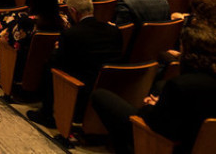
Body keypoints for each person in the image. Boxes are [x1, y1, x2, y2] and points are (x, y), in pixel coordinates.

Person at [91, 24, 216, 154]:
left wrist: (151, 106)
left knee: (100, 96)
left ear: (188, 53)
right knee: (160, 85)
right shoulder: (196, 81)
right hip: (199, 142)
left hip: (164, 143)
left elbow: (156, 123)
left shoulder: (180, 85)